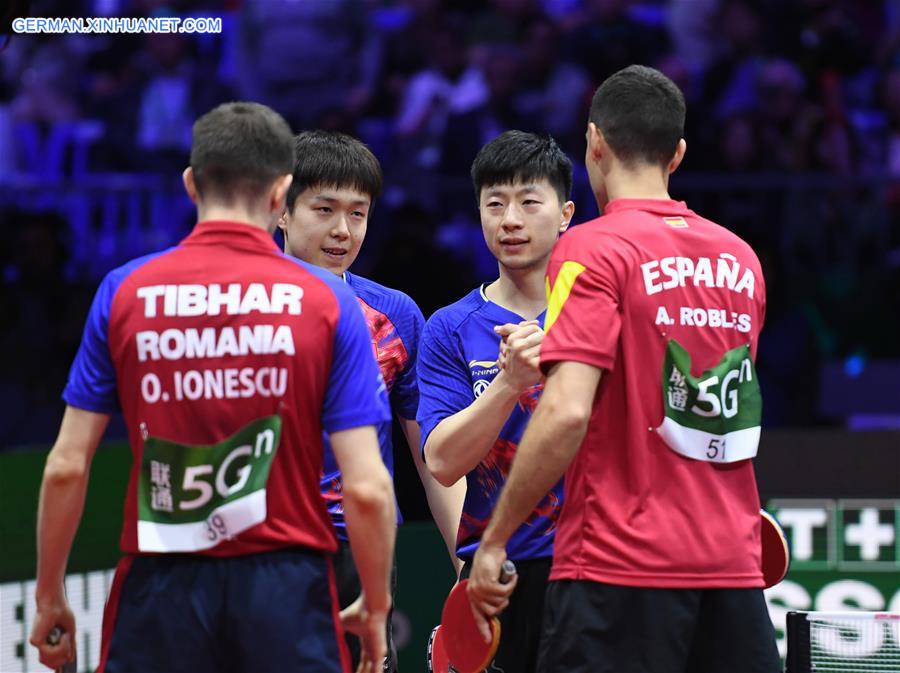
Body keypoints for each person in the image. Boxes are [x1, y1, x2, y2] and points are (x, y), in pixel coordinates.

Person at [29, 102, 396, 673]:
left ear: (191, 184)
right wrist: (375, 608)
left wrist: (50, 593)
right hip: (288, 587)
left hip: (160, 583)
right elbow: (368, 487)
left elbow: (66, 466)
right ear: (281, 193)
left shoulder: (125, 290)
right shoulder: (328, 303)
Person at [468, 65, 780, 673]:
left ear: (595, 144)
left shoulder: (590, 247)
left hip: (617, 572)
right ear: (678, 153)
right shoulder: (741, 258)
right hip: (732, 573)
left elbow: (566, 410)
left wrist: (496, 538)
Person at [277, 130, 466, 671]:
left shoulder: (396, 315)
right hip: (264, 548)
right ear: (282, 210)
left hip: (361, 550)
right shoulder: (240, 305)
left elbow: (435, 459)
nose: (342, 229)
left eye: (357, 214)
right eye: (324, 209)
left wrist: (465, 566)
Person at [417, 130, 574, 673]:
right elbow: (441, 461)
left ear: (565, 214)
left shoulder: (601, 314)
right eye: (495, 204)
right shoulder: (450, 329)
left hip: (594, 568)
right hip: (499, 578)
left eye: (529, 202)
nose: (510, 219)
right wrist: (509, 384)